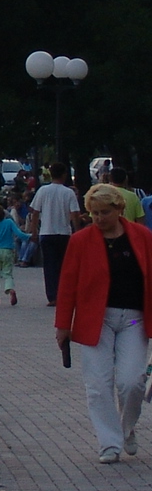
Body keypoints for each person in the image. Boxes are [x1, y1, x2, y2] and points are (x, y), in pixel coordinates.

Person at [54, 184, 152, 463]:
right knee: (98, 384)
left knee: (132, 382)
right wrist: (63, 325)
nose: (98, 218)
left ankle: (127, 428)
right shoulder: (80, 241)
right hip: (96, 320)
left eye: (104, 212)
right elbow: (67, 284)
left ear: (120, 210)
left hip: (134, 318)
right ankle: (109, 443)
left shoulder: (143, 237)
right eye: (94, 213)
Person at [32, 164, 82, 306]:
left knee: (49, 266)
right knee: (63, 266)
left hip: (46, 232)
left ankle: (52, 296)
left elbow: (35, 212)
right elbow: (74, 214)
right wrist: (77, 231)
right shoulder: (68, 193)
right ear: (64, 174)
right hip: (64, 233)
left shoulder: (43, 190)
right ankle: (63, 294)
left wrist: (34, 230)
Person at [0, 202, 30, 306]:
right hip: (8, 251)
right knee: (8, 273)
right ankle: (10, 289)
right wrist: (29, 236)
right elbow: (19, 234)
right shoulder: (9, 222)